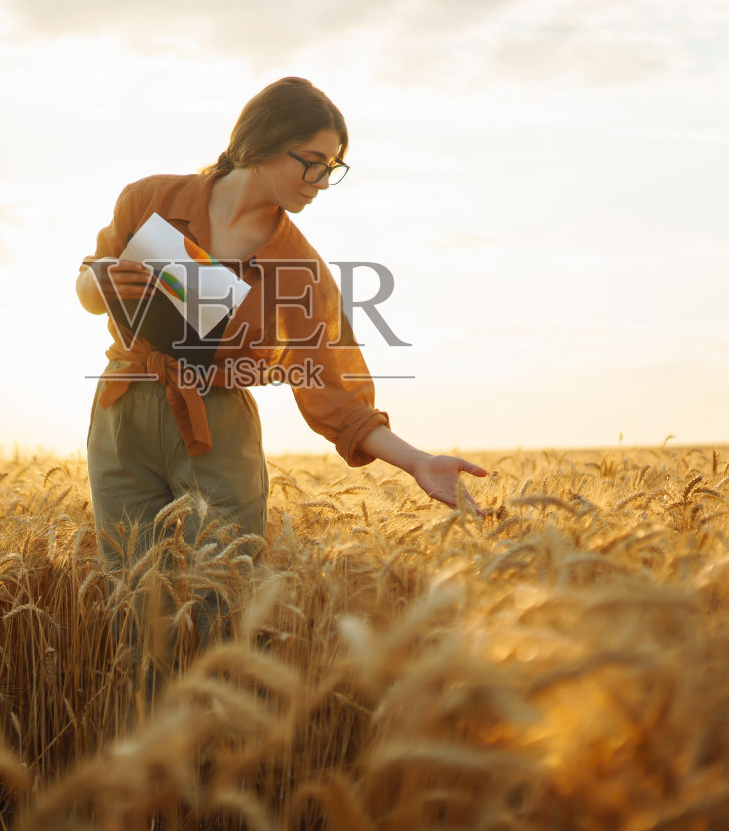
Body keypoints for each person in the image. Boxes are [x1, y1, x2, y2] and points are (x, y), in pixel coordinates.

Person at [76, 77, 487, 664]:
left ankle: (213, 744)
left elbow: (337, 395)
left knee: (222, 606)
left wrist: (417, 460)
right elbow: (88, 286)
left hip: (215, 429)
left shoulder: (300, 270)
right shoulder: (150, 198)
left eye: (332, 169)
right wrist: (101, 279)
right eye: (312, 163)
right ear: (264, 141)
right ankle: (148, 742)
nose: (320, 183)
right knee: (137, 610)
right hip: (122, 415)